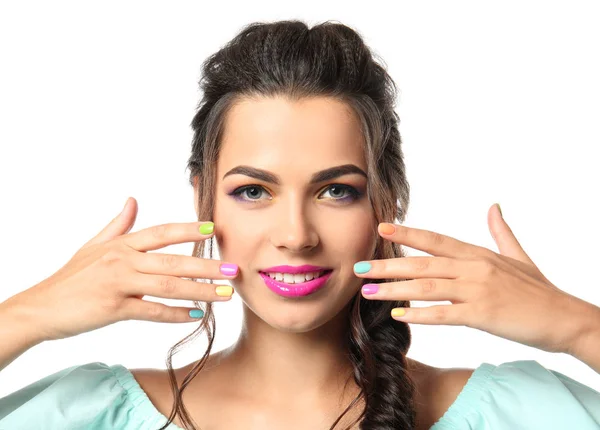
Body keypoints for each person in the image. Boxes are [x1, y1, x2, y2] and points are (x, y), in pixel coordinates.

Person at [0, 19, 599, 430]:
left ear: (386, 204)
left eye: (337, 190)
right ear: (203, 200)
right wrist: (27, 315)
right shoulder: (89, 414)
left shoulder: (512, 412)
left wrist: (576, 328)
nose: (296, 233)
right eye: (253, 190)